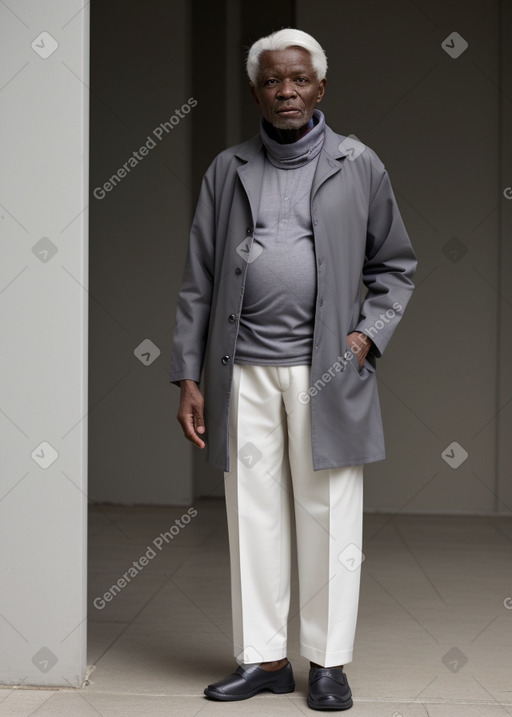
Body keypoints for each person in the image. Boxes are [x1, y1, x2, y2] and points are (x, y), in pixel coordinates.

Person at [170, 27, 417, 711]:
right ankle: (265, 658)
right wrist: (188, 372)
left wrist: (367, 336)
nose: (287, 91)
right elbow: (198, 278)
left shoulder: (357, 163)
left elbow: (397, 267)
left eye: (300, 79)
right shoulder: (228, 170)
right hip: (241, 370)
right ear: (257, 90)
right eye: (274, 80)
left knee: (329, 516)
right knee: (254, 516)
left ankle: (329, 662)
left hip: (328, 373)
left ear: (321, 87)